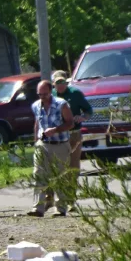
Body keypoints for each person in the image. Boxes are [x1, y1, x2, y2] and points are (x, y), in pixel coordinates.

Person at [28, 80, 75, 217]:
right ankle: (38, 208)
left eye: (45, 94)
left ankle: (60, 208)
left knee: (60, 176)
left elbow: (70, 123)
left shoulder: (61, 104)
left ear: (51, 92)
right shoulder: (36, 105)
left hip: (60, 144)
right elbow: (37, 123)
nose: (42, 97)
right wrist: (36, 141)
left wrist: (55, 130)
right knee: (39, 174)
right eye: (40, 94)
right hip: (43, 144)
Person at [52, 70, 92, 211]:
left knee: (73, 167)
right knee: (59, 167)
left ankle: (71, 199)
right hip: (58, 136)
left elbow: (88, 110)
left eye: (62, 82)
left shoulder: (75, 94)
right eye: (57, 83)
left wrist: (82, 117)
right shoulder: (51, 96)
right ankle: (60, 200)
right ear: (53, 84)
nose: (60, 85)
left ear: (67, 82)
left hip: (74, 135)